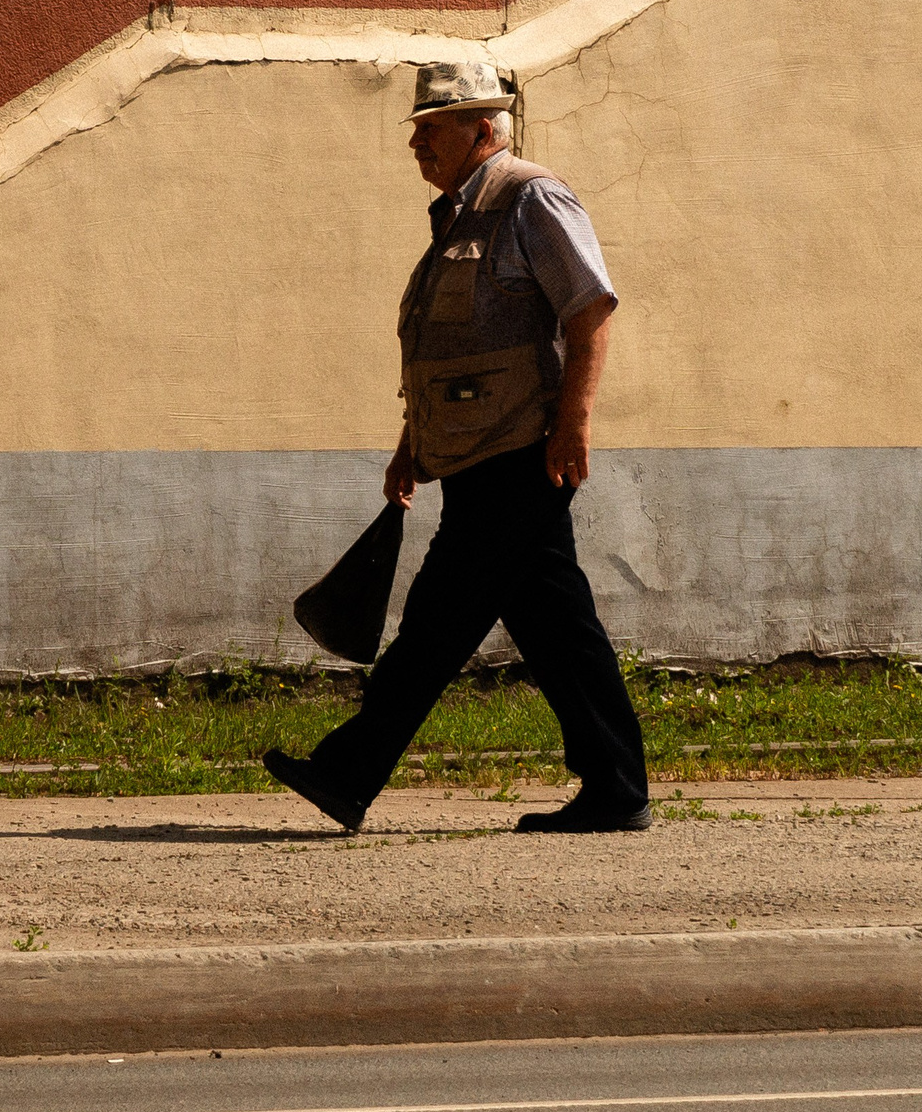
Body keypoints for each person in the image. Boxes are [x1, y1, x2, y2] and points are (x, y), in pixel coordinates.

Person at [265, 62, 652, 835]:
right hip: (477, 458)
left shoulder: (530, 197)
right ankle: (616, 786)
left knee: (435, 625)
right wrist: (414, 443)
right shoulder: (458, 218)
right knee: (553, 628)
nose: (417, 143)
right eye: (415, 130)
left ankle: (349, 771)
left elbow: (591, 311)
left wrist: (575, 421)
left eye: (431, 127)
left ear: (482, 128)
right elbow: (450, 347)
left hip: (520, 455)